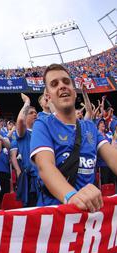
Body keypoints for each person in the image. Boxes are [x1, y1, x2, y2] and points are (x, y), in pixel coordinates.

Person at [30, 64, 117, 211]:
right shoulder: (42, 124)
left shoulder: (89, 127)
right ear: (48, 97)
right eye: (54, 84)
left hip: (88, 217)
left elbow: (112, 156)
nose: (62, 86)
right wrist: (72, 196)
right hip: (56, 216)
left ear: (75, 92)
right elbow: (45, 166)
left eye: (66, 81)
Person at [15, 93, 38, 207]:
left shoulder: (42, 133)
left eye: (35, 113)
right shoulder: (23, 133)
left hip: (46, 177)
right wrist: (27, 102)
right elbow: (20, 121)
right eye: (31, 113)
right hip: (31, 181)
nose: (35, 114)